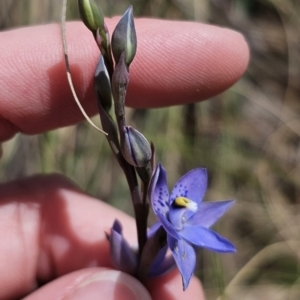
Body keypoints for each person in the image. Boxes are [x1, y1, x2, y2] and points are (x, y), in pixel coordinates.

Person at [0, 18, 249, 300]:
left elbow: (166, 194)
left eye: (181, 201)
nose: (182, 202)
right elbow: (157, 185)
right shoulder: (162, 207)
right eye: (178, 199)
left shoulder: (179, 234)